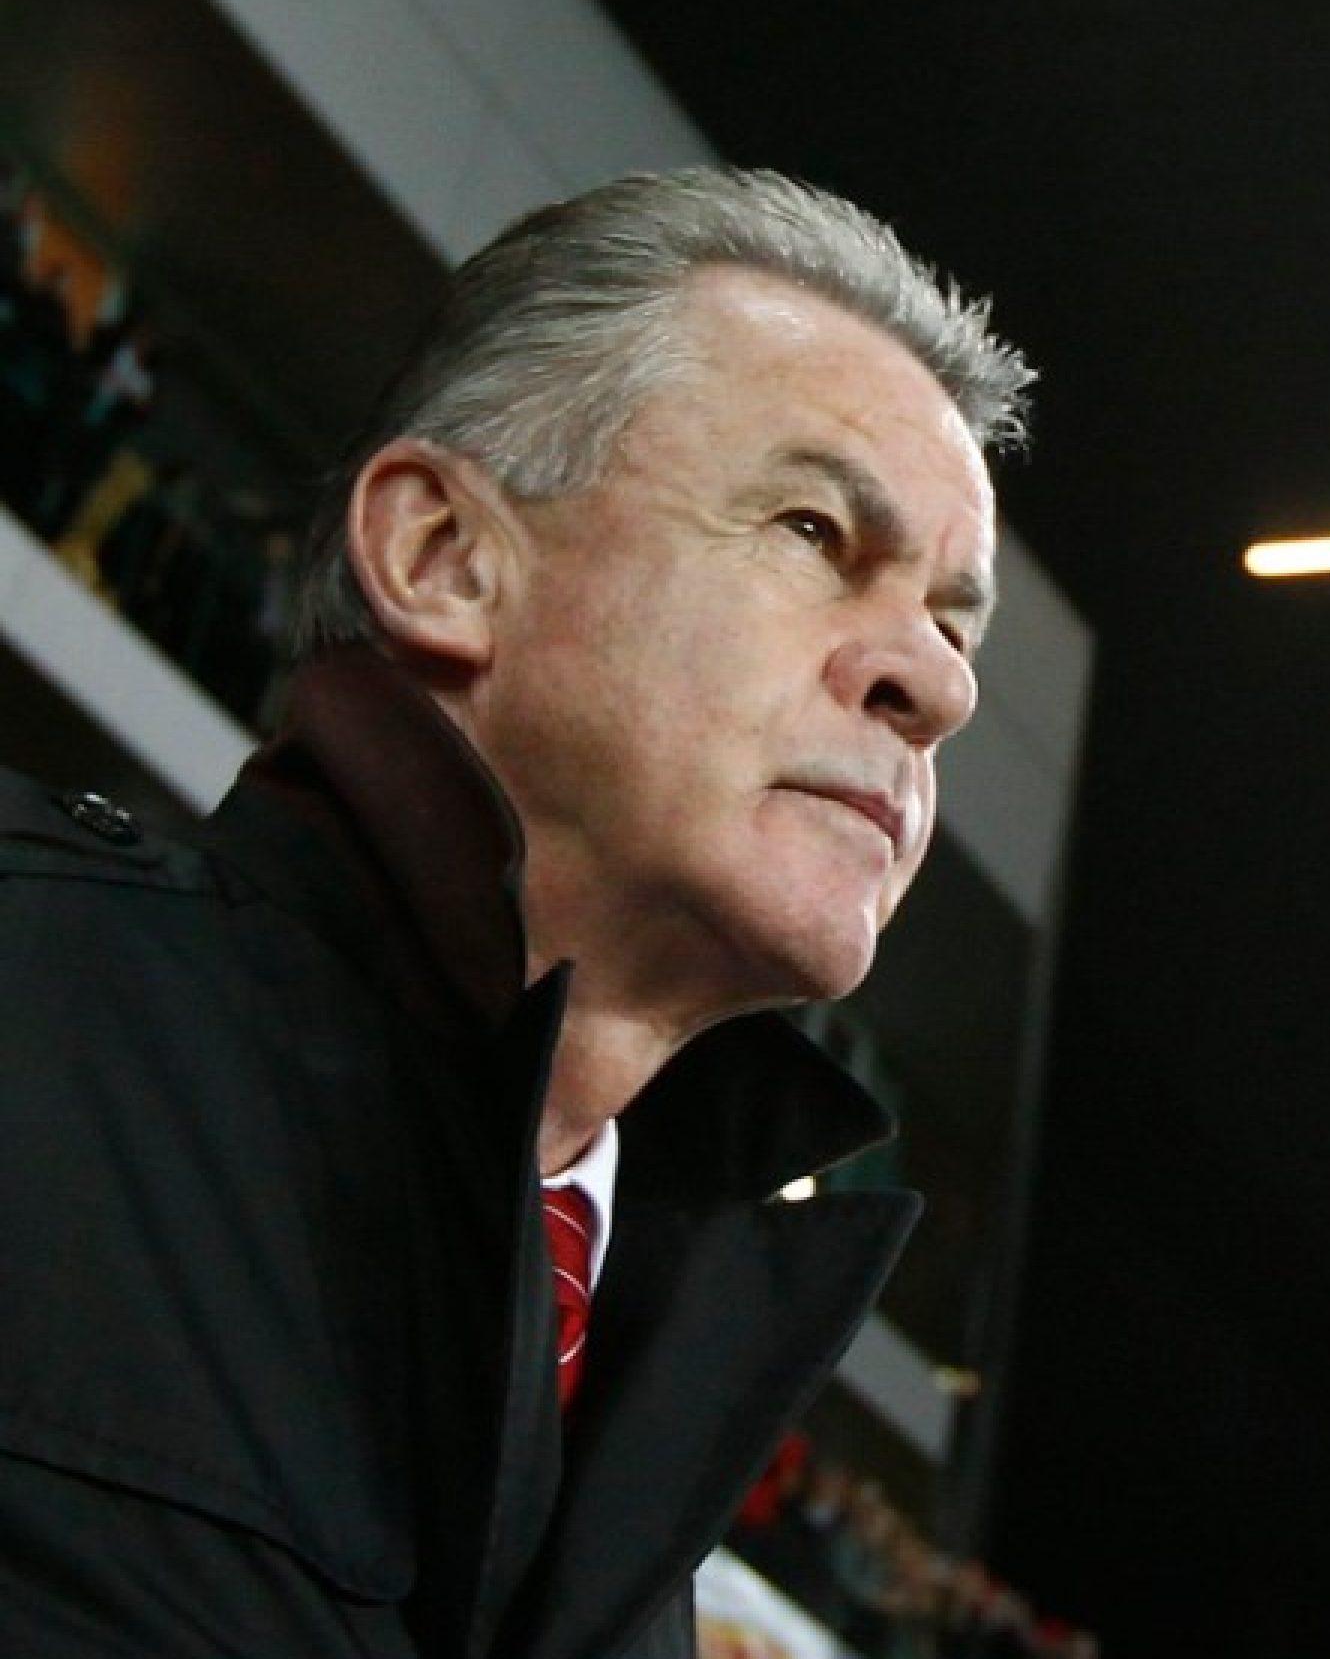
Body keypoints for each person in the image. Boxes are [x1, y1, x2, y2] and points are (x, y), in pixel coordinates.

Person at [0, 168, 1030, 1658]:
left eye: (950, 618)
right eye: (814, 531)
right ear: (442, 558)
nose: (939, 684)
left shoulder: (650, 1414)